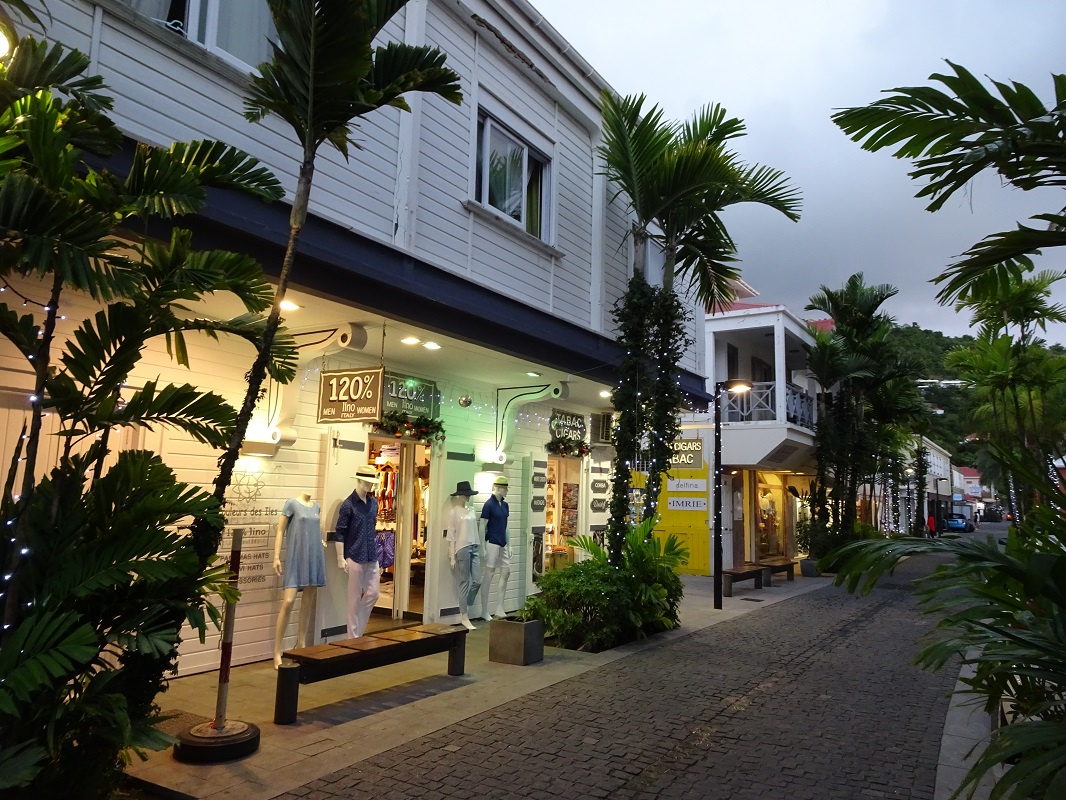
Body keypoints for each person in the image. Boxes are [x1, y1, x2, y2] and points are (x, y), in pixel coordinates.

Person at [272, 492, 325, 668]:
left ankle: (301, 644)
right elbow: (280, 531)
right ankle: (277, 651)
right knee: (288, 601)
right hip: (296, 557)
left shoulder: (317, 507)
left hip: (314, 556)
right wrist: (276, 556)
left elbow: (315, 531)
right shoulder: (291, 504)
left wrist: (321, 541)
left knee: (308, 602)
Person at [335, 465, 381, 639]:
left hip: (371, 555)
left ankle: (357, 633)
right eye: (367, 482)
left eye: (372, 482)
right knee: (353, 599)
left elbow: (372, 528)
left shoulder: (373, 504)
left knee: (373, 594)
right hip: (354, 555)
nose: (370, 486)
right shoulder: (348, 505)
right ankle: (353, 638)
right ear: (359, 480)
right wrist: (340, 557)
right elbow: (340, 532)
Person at [447, 480, 481, 630]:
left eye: (469, 494)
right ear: (460, 495)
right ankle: (464, 616)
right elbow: (451, 535)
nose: (468, 497)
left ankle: (467, 602)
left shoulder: (472, 510)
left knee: (478, 580)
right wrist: (452, 556)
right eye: (466, 494)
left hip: (474, 546)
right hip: (462, 548)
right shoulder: (454, 512)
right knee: (464, 582)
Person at [479, 475, 510, 620]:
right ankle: (484, 610)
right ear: (498, 488)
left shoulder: (505, 505)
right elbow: (482, 525)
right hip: (491, 541)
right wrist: (482, 547)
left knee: (506, 572)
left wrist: (509, 544)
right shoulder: (489, 504)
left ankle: (499, 607)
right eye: (505, 488)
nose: (506, 491)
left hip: (502, 541)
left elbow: (506, 526)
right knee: (489, 574)